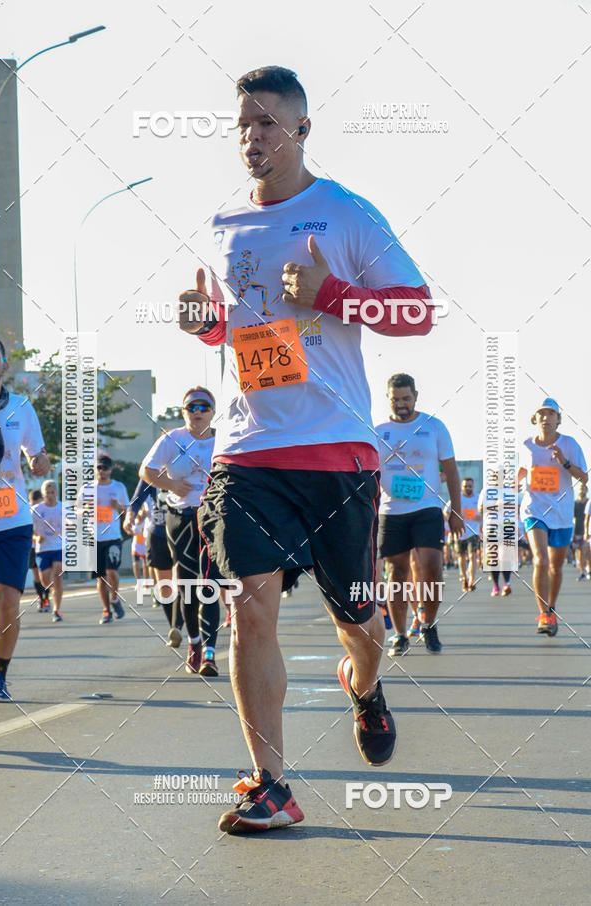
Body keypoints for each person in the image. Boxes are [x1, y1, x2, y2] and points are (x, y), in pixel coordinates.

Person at [178, 66, 436, 832]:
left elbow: (418, 313)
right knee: (247, 607)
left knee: (359, 621)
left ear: (301, 130)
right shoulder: (226, 225)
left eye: (267, 124)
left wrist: (334, 294)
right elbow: (239, 330)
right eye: (243, 126)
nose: (252, 138)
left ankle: (365, 686)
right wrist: (206, 326)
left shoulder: (347, 214)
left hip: (336, 449)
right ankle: (271, 784)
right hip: (248, 447)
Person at [376, 374, 463, 658]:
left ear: (416, 396)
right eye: (395, 399)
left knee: (432, 566)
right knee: (396, 573)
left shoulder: (434, 427)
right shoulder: (377, 431)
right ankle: (400, 635)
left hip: (427, 507)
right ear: (388, 398)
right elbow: (369, 475)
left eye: (406, 398)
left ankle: (429, 624)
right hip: (392, 511)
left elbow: (451, 471)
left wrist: (456, 512)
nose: (401, 404)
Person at [139, 388, 219, 675]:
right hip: (180, 516)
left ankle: (210, 652)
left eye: (204, 407)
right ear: (184, 412)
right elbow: (146, 471)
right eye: (191, 407)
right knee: (187, 582)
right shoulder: (172, 439)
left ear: (212, 411)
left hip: (212, 517)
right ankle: (195, 642)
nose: (198, 412)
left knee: (209, 582)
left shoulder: (223, 440)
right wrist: (171, 485)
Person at [0, 336, 50, 702]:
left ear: (4, 365)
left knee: (9, 600)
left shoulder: (21, 408)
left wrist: (40, 462)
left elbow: (37, 454)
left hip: (12, 521)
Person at [519, 398, 588, 636]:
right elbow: (520, 471)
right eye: (542, 414)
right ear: (535, 419)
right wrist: (511, 483)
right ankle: (544, 615)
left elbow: (584, 478)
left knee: (555, 568)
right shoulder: (526, 445)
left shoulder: (569, 444)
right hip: (534, 511)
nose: (546, 418)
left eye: (551, 414)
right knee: (540, 560)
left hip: (561, 514)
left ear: (558, 419)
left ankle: (551, 607)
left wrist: (564, 462)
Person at [125, 479, 181, 644]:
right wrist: (130, 516)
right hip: (157, 533)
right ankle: (173, 626)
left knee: (182, 582)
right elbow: (137, 498)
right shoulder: (151, 471)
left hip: (182, 531)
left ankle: (179, 624)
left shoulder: (185, 465)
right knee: (164, 587)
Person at [78, 455, 129, 625]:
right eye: (99, 468)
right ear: (95, 469)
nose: (102, 471)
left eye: (105, 468)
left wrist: (118, 507)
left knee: (112, 572)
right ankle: (106, 609)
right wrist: (84, 510)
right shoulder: (87, 488)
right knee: (101, 577)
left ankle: (115, 598)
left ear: (110, 469)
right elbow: (76, 510)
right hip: (95, 538)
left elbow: (127, 510)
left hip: (113, 536)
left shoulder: (118, 487)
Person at [32, 480, 63, 621]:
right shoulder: (36, 510)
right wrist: (36, 537)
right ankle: (52, 591)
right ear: (43, 494)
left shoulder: (63, 508)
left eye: (52, 492)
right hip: (43, 549)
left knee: (57, 574)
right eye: (47, 493)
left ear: (57, 492)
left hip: (59, 547)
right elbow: (28, 528)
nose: (50, 496)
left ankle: (56, 610)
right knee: (45, 581)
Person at [453, 477, 480, 592]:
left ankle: (471, 581)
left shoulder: (478, 498)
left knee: (472, 555)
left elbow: (487, 512)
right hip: (460, 532)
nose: (468, 488)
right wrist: (457, 516)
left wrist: (480, 517)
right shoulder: (457, 499)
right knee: (462, 557)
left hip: (473, 532)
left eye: (470, 486)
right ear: (461, 487)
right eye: (465, 486)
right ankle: (464, 577)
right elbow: (446, 513)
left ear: (473, 486)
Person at [28, 488, 49, 611]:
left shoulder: (45, 510)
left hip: (46, 547)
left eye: (38, 502)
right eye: (33, 502)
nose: (35, 505)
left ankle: (46, 598)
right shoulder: (28, 512)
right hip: (33, 547)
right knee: (37, 575)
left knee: (46, 575)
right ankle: (41, 598)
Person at [573, 485, 590, 580]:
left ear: (586, 490)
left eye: (583, 489)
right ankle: (582, 572)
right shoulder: (576, 503)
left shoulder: (589, 502)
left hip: (588, 531)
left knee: (587, 552)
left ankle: (589, 570)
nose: (581, 490)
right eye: (580, 489)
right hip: (578, 530)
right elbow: (573, 517)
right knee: (579, 552)